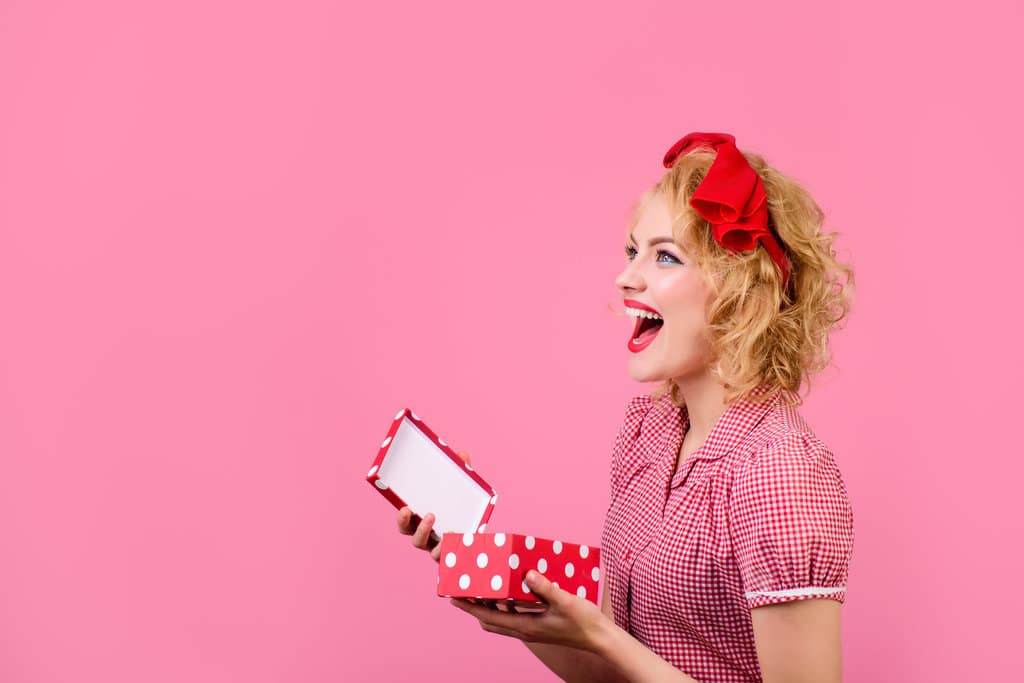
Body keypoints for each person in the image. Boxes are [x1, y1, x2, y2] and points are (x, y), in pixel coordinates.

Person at [397, 132, 855, 683]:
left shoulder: (781, 472)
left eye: (665, 256)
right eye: (632, 251)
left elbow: (612, 646)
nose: (626, 277)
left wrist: (601, 635)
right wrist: (507, 594)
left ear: (743, 292)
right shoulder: (648, 432)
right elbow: (615, 671)